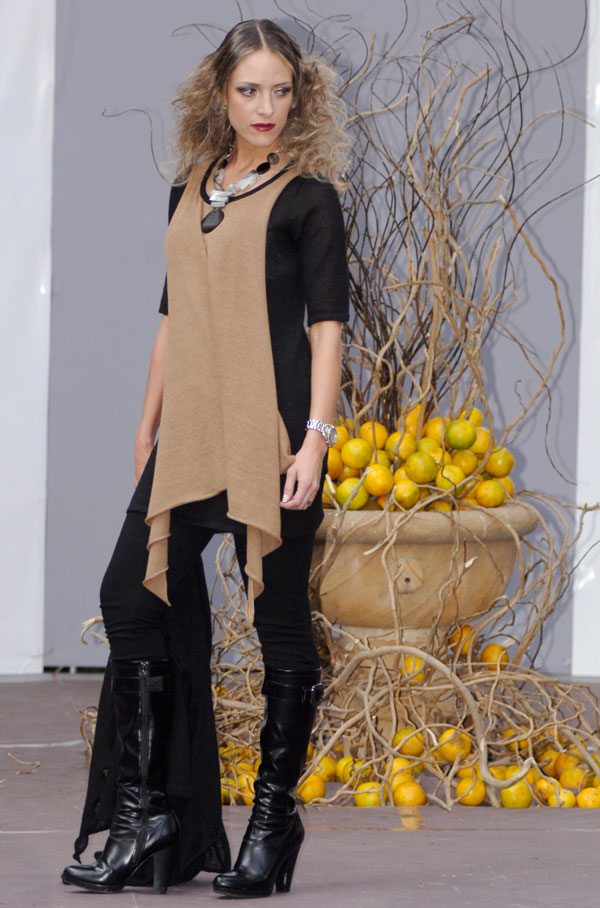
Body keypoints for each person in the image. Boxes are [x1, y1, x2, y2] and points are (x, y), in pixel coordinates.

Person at [61, 17, 351, 899]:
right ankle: (147, 815)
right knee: (129, 595)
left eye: (281, 91)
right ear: (218, 95)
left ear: (300, 98)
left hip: (272, 436)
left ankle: (272, 824)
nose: (266, 107)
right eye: (249, 90)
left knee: (280, 625)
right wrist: (145, 425)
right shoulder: (189, 190)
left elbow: (328, 328)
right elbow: (172, 316)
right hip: (191, 432)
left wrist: (315, 439)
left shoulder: (310, 200)